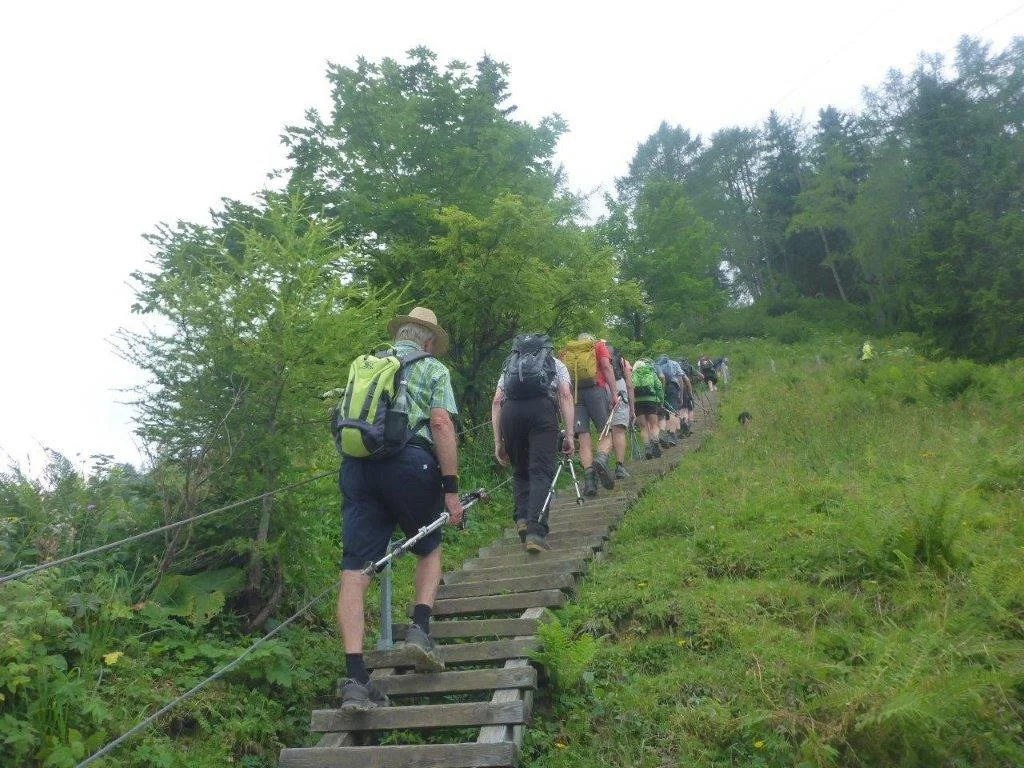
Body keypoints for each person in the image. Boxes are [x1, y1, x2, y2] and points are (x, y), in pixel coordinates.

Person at [336, 307, 464, 711]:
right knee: (428, 546)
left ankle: (355, 678)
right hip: (410, 465)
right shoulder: (432, 369)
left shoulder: (369, 363)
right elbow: (440, 424)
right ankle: (419, 630)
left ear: (400, 336)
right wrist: (451, 489)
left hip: (358, 468)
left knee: (355, 570)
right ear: (428, 342)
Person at [491, 334, 575, 553]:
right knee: (540, 472)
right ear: (545, 348)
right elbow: (565, 395)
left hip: (511, 413)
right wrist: (569, 434)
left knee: (520, 470)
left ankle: (522, 519)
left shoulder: (510, 366)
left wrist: (497, 440)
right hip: (542, 411)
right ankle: (536, 532)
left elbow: (497, 401)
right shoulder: (555, 364)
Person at [559, 333, 616, 497]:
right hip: (596, 391)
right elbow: (606, 366)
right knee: (605, 432)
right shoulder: (597, 346)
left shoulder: (567, 352)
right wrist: (614, 393)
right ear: (590, 339)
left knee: (583, 437)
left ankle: (590, 480)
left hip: (576, 394)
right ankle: (602, 459)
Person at [605, 342, 636, 479]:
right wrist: (632, 409)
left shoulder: (594, 358)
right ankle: (619, 467)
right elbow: (629, 386)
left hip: (599, 390)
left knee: (605, 431)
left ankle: (602, 460)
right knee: (618, 430)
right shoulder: (623, 361)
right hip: (618, 389)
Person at [630, 358, 664, 459]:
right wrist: (661, 401)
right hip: (651, 401)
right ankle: (656, 441)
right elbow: (659, 387)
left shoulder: (633, 375)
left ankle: (647, 447)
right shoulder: (651, 372)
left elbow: (630, 388)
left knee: (643, 427)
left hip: (638, 402)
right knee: (654, 424)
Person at [655, 354, 683, 447]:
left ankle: (662, 434)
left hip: (659, 388)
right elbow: (681, 379)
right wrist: (680, 395)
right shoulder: (674, 363)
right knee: (672, 411)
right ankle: (672, 435)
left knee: (662, 412)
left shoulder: (656, 365)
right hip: (672, 386)